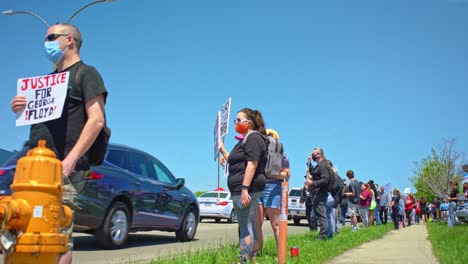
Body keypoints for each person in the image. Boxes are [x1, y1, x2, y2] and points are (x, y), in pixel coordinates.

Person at [10, 23, 107, 264]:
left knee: (57, 234)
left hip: (64, 169)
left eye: (52, 37)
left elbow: (96, 121)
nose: (47, 44)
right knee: (30, 233)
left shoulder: (86, 74)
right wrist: (21, 107)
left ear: (69, 41)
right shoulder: (47, 81)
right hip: (35, 171)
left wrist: (70, 160)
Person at [218, 108, 267, 264]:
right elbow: (236, 160)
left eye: (239, 120)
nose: (236, 123)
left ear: (249, 122)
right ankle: (252, 258)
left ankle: (244, 260)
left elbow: (252, 164)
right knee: (249, 224)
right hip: (242, 188)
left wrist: (245, 189)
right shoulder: (245, 139)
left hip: (246, 188)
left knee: (245, 226)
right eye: (235, 120)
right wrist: (223, 151)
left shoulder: (253, 138)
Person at [256, 128, 290, 253]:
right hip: (259, 187)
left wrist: (271, 173)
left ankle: (281, 254)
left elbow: (286, 174)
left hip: (272, 187)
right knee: (257, 223)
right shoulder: (259, 154)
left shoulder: (282, 155)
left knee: (275, 224)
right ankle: (257, 252)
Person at [306, 148, 330, 240]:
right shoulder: (319, 165)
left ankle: (323, 235)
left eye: (313, 154)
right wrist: (309, 163)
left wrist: (312, 183)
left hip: (321, 192)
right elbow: (313, 172)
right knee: (318, 213)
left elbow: (325, 179)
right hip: (317, 192)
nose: (312, 155)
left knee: (321, 214)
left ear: (319, 155)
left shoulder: (323, 166)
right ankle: (323, 234)